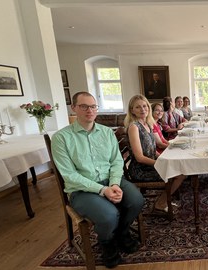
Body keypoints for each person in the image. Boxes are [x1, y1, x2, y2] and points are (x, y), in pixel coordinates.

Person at [51, 92, 144, 268]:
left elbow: (116, 161)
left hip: (110, 180)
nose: (90, 110)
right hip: (81, 189)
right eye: (84, 106)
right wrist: (102, 190)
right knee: (109, 215)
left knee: (137, 200)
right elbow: (69, 175)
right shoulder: (61, 138)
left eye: (93, 106)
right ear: (74, 108)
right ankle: (107, 243)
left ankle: (122, 232)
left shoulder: (107, 133)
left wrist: (114, 183)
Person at [125, 95, 185, 213]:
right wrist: (160, 163)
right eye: (138, 107)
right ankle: (161, 203)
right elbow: (139, 157)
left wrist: (163, 159)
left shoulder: (147, 124)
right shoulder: (134, 127)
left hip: (151, 164)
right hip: (141, 169)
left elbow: (153, 150)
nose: (143, 109)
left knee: (179, 169)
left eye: (145, 106)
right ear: (132, 110)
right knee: (179, 174)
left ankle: (163, 200)